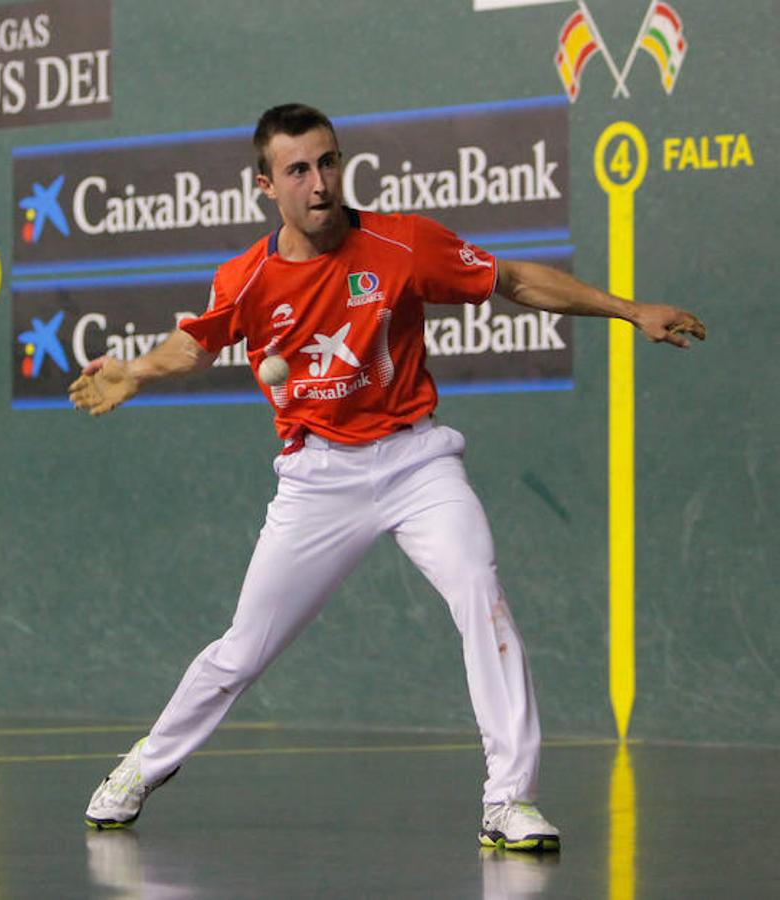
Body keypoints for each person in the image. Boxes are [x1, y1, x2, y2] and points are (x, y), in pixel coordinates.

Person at [71, 104, 705, 850]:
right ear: (265, 185)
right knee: (243, 648)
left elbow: (517, 281)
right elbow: (196, 342)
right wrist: (135, 373)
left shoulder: (400, 243)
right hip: (316, 479)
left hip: (416, 463)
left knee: (481, 594)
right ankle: (141, 768)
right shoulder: (248, 280)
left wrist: (630, 311)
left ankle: (510, 800)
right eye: (299, 169)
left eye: (329, 161)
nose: (320, 182)